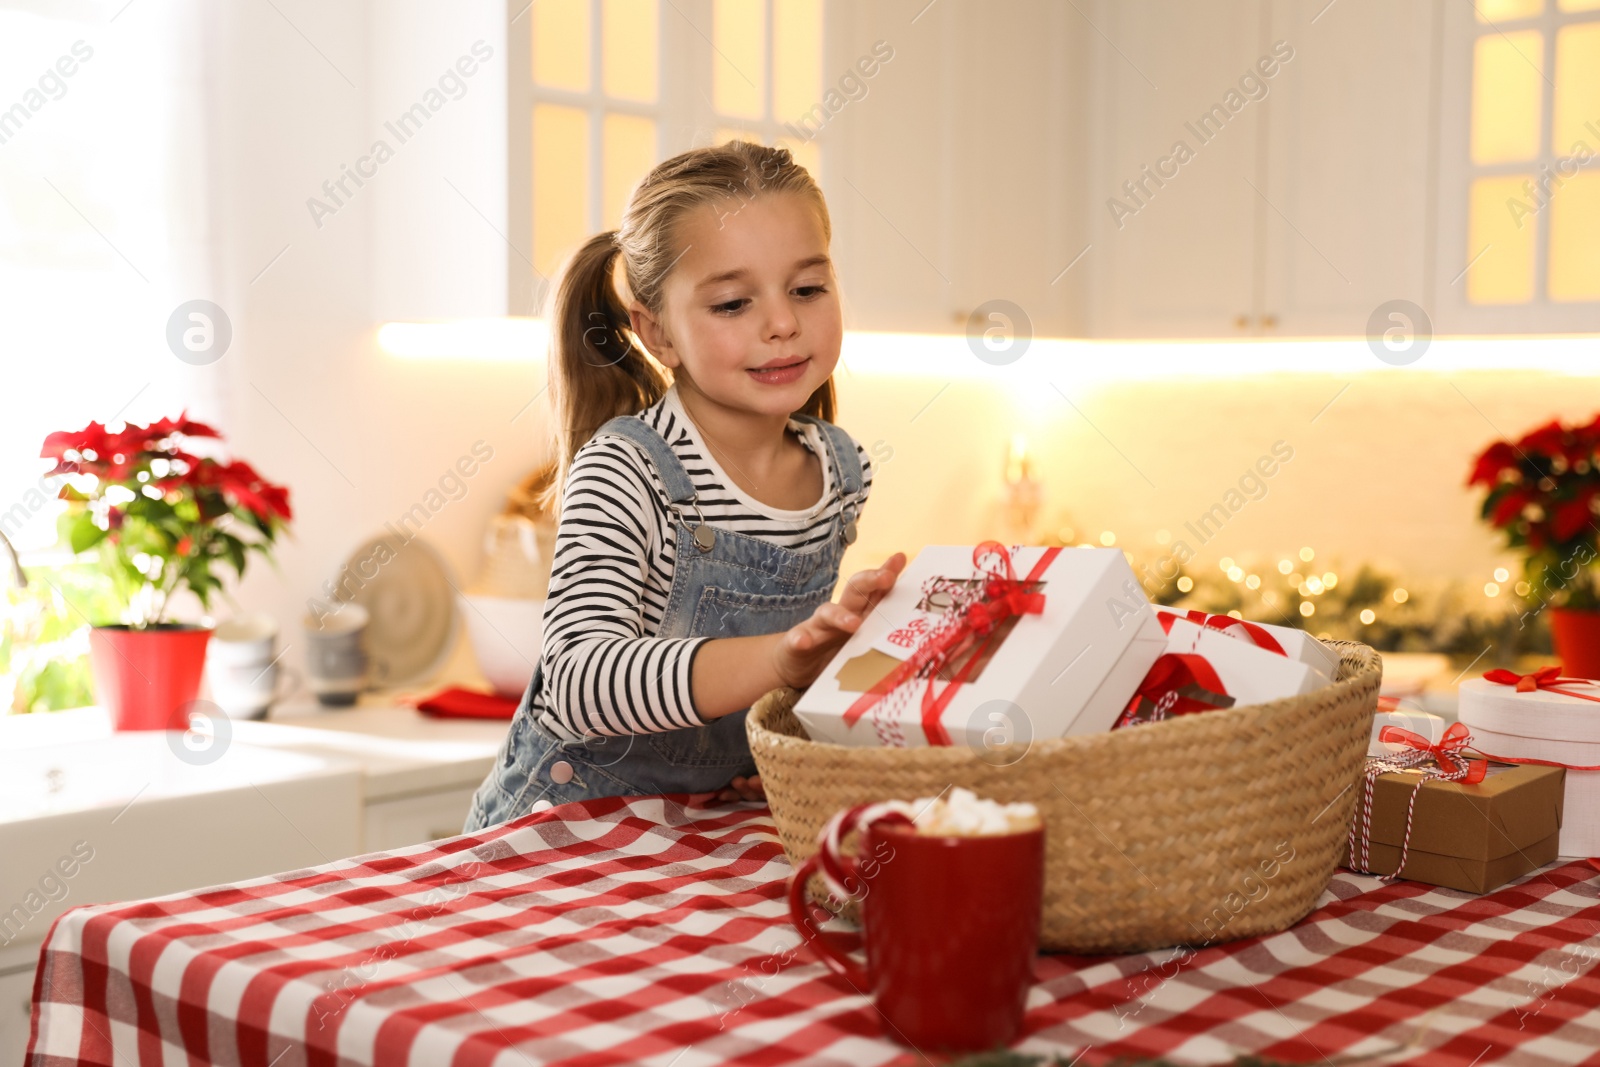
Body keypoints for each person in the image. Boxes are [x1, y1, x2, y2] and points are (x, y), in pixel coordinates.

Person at [464, 140, 907, 831]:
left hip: (709, 824)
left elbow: (790, 684)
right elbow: (579, 681)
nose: (782, 322)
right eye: (733, 303)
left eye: (808, 288)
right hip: (568, 830)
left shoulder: (841, 472)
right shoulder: (627, 469)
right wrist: (779, 655)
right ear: (657, 332)